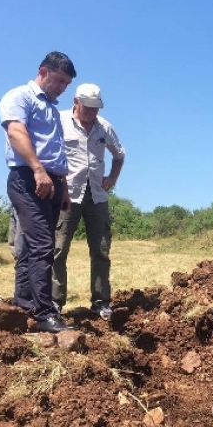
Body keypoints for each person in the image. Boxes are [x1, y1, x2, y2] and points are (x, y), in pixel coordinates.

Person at [0, 51, 78, 332]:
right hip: (29, 179)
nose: (61, 88)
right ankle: (45, 313)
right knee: (43, 244)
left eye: (66, 84)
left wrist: (63, 188)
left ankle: (23, 305)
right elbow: (16, 133)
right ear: (42, 71)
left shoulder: (53, 110)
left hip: (52, 181)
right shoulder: (20, 97)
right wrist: (37, 170)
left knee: (34, 246)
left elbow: (56, 153)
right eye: (58, 81)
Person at [52, 83, 125, 320]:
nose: (93, 112)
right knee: (58, 249)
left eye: (96, 108)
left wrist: (112, 177)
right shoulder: (60, 121)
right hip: (67, 195)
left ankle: (101, 302)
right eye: (88, 107)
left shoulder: (105, 127)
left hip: (97, 196)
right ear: (76, 101)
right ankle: (54, 302)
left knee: (101, 250)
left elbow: (119, 154)